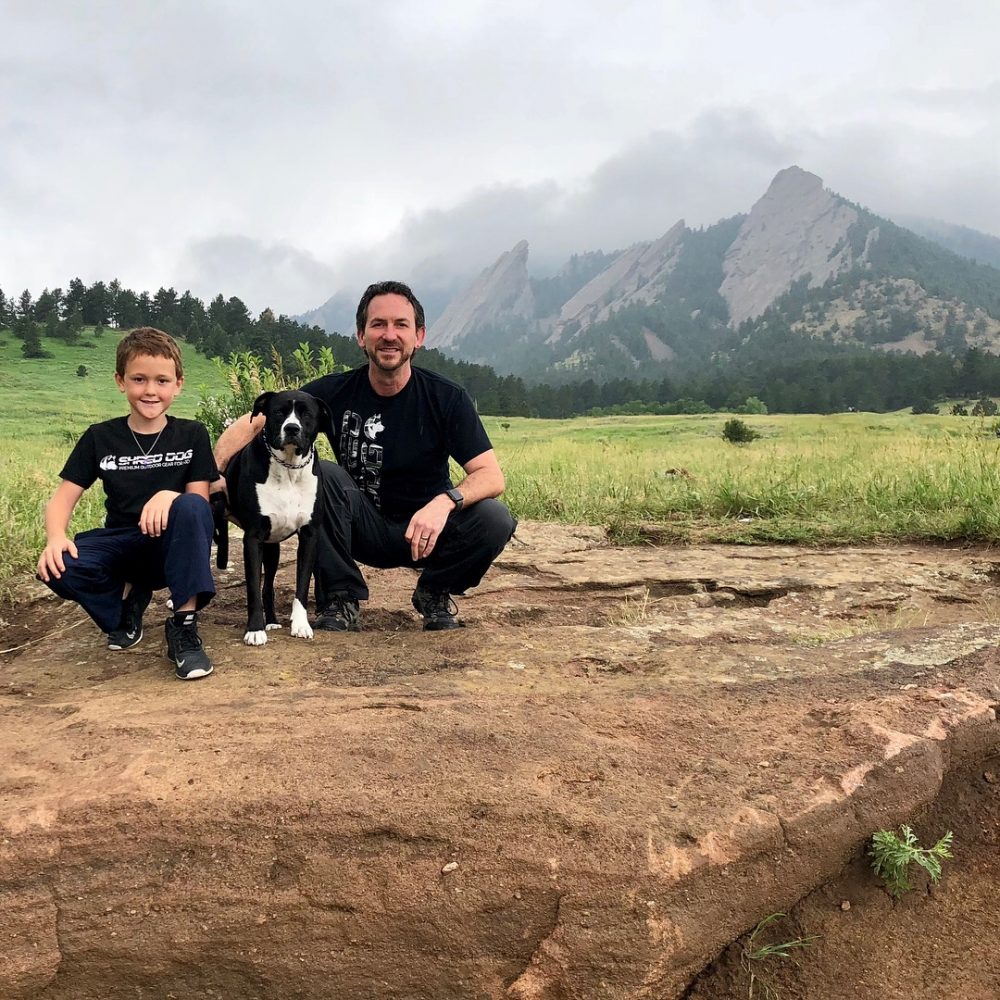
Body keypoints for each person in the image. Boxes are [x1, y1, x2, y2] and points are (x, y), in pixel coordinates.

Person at [213, 280, 517, 631]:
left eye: (401, 325)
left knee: (494, 518)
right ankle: (340, 598)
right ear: (361, 335)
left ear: (419, 336)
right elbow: (252, 424)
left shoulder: (446, 397)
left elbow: (491, 477)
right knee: (321, 473)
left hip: (427, 530)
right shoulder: (335, 391)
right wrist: (217, 475)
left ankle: (435, 591)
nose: (390, 335)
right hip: (359, 525)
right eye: (378, 325)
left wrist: (444, 503)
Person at [36, 327, 218, 680]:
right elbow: (62, 498)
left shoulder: (192, 434)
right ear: (121, 381)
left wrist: (170, 495)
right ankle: (126, 604)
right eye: (139, 379)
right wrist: (56, 536)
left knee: (192, 508)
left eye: (162, 380)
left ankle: (183, 626)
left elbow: (199, 500)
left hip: (172, 545)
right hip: (122, 543)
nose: (150, 390)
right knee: (56, 565)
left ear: (178, 384)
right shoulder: (100, 437)